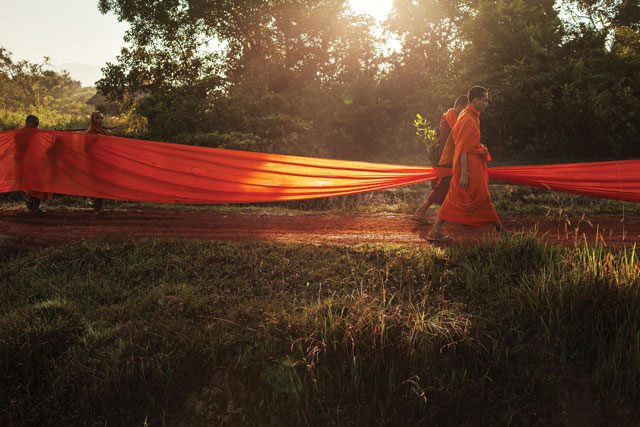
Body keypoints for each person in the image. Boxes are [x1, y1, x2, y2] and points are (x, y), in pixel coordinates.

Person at [427, 86, 507, 240]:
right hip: (467, 168)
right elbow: (462, 148)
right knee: (480, 197)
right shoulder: (468, 119)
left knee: (463, 197)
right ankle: (502, 231)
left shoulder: (470, 115)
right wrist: (464, 173)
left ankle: (435, 231)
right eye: (485, 100)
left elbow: (466, 144)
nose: (487, 103)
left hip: (471, 166)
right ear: (475, 100)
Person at [414, 95, 469, 222]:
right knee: (443, 187)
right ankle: (421, 210)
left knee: (452, 186)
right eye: (465, 109)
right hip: (446, 159)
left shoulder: (451, 118)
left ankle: (456, 214)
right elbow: (447, 142)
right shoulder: (448, 119)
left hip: (451, 158)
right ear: (460, 106)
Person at [22, 115, 51, 213]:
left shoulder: (36, 133)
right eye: (35, 124)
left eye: (37, 125)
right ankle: (34, 207)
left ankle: (34, 206)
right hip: (29, 164)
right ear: (28, 123)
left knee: (37, 185)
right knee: (35, 186)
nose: (36, 127)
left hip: (38, 164)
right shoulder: (21, 134)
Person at [86, 111, 110, 214]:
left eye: (102, 118)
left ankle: (97, 207)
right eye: (98, 118)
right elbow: (86, 149)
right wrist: (96, 139)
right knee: (98, 185)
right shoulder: (90, 132)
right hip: (96, 163)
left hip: (105, 162)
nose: (100, 120)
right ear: (93, 120)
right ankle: (96, 209)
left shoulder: (103, 131)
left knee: (103, 186)